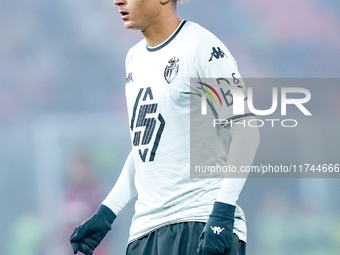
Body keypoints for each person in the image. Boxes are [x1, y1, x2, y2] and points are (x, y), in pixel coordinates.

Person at [70, 0, 260, 254]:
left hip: (199, 222)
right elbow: (146, 148)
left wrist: (222, 212)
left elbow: (246, 130)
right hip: (144, 233)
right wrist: (107, 213)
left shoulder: (202, 47)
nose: (117, 1)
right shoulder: (134, 59)